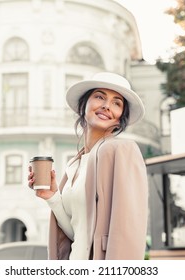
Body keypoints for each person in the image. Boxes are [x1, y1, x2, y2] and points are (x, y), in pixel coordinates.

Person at [28, 72, 148, 260]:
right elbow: (78, 234)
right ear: (84, 105)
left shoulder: (122, 151)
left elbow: (128, 231)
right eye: (99, 96)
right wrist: (52, 198)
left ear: (120, 118)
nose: (107, 106)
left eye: (117, 103)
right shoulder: (74, 164)